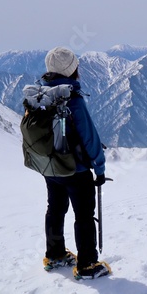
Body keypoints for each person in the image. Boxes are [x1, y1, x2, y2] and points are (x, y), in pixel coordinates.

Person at [40, 46, 110, 279]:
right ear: (72, 70)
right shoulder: (73, 100)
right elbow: (90, 138)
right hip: (76, 170)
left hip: (50, 167)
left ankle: (56, 254)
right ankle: (87, 265)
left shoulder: (40, 96)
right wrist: (99, 168)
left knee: (55, 209)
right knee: (83, 216)